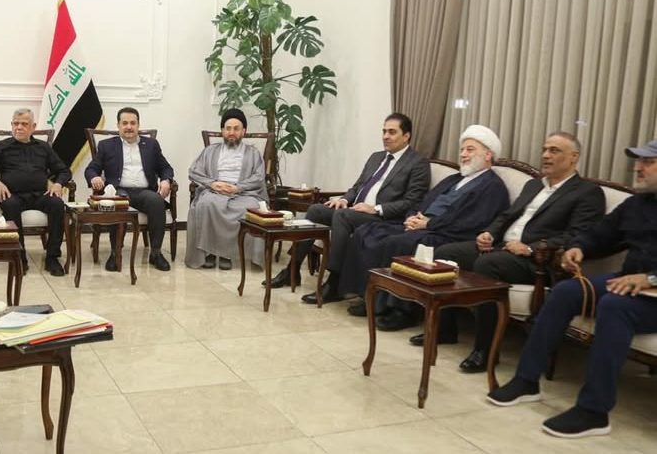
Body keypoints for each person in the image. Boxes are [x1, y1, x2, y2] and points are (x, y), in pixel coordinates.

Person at [486, 138, 657, 439]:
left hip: (650, 291)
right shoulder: (638, 203)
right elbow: (601, 234)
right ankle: (527, 380)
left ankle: (594, 411)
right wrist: (579, 247)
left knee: (615, 307)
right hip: (628, 281)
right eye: (639, 161)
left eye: (648, 162)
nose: (638, 168)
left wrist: (651, 279)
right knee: (566, 292)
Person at [409, 132, 604, 373]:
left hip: (537, 262)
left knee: (487, 265)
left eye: (554, 151)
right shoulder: (534, 185)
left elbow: (578, 236)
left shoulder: (587, 192)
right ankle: (445, 329)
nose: (546, 155)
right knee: (446, 252)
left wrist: (531, 248)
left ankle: (486, 350)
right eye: (544, 149)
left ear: (574, 157)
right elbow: (506, 216)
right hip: (502, 247)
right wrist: (489, 234)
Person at [340, 125, 510, 330]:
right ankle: (369, 297)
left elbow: (471, 222)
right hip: (423, 225)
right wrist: (412, 217)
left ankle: (402, 311)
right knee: (367, 231)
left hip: (446, 234)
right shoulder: (454, 179)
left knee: (398, 242)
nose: (463, 154)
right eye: (462, 150)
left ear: (488, 155)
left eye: (470, 150)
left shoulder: (493, 187)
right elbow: (423, 200)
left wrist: (428, 223)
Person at [265, 113, 430, 306]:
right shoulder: (377, 157)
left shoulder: (418, 163)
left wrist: (375, 208)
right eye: (384, 131)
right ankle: (292, 270)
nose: (385, 136)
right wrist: (344, 199)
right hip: (355, 210)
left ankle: (335, 283)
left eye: (392, 132)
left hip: (383, 218)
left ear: (406, 136)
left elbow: (412, 202)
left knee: (342, 216)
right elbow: (358, 186)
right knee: (317, 210)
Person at [0, 108, 70, 276]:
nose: (19, 127)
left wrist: (58, 184)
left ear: (33, 127)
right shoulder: (2, 146)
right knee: (10, 205)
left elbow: (64, 170)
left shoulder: (43, 147)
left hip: (40, 194)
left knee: (57, 204)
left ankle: (52, 258)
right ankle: (19, 257)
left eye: (24, 124)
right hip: (14, 195)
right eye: (15, 123)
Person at [84, 107, 175, 271]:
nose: (129, 127)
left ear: (138, 125)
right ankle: (115, 253)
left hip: (144, 192)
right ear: (118, 125)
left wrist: (166, 180)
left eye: (133, 123)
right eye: (124, 123)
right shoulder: (106, 145)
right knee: (117, 203)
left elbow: (165, 167)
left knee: (156, 201)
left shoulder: (151, 145)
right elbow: (91, 169)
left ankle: (156, 253)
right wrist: (94, 178)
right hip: (120, 191)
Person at [185, 108, 267, 270]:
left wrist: (238, 187)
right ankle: (208, 252)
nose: (231, 132)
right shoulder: (210, 151)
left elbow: (259, 177)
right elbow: (193, 171)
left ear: (243, 131)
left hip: (243, 193)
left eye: (236, 129)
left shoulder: (253, 153)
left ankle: (226, 254)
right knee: (205, 204)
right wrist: (212, 183)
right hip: (214, 190)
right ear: (222, 131)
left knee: (252, 207)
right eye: (228, 128)